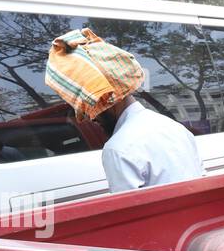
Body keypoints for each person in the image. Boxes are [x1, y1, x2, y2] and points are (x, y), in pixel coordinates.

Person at [44, 28, 204, 193]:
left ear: (104, 99)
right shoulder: (175, 127)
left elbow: (131, 213)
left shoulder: (118, 148)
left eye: (89, 109)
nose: (91, 118)